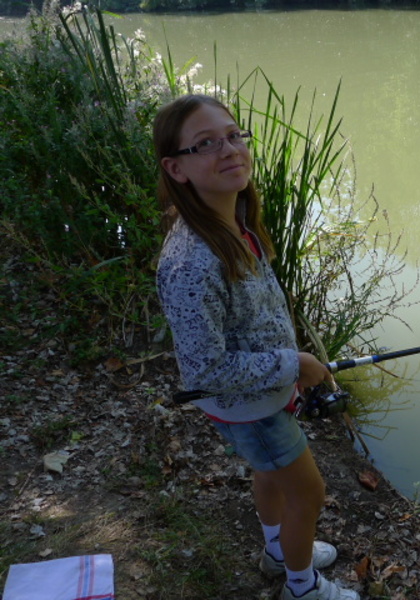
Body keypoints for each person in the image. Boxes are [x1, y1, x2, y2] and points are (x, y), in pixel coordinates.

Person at [153, 94, 360, 600]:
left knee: (270, 476)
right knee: (308, 494)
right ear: (177, 168)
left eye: (233, 135)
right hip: (250, 408)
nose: (229, 149)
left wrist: (289, 369)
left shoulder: (235, 219)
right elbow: (205, 371)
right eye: (206, 144)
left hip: (264, 395)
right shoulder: (190, 263)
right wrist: (294, 363)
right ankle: (302, 587)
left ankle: (277, 553)